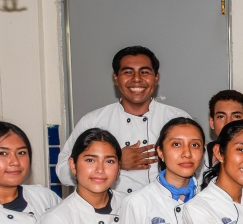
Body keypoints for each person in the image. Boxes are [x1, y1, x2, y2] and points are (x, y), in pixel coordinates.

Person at [56, 45, 191, 195]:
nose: (137, 79)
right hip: (112, 212)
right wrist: (114, 161)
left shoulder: (178, 119)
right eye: (128, 72)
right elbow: (62, 171)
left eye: (145, 72)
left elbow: (199, 168)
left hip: (166, 209)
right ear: (116, 78)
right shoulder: (93, 121)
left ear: (156, 77)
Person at [205, 89, 243, 167]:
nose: (228, 123)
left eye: (236, 116)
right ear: (212, 122)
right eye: (221, 116)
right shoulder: (200, 157)